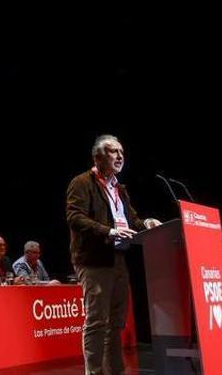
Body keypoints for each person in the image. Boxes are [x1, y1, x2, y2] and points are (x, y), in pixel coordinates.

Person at [66, 134, 161, 375]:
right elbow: (75, 217)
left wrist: (147, 223)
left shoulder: (119, 188)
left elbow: (131, 220)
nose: (120, 156)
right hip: (94, 260)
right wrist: (109, 231)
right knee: (97, 322)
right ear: (97, 156)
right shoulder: (82, 182)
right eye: (113, 151)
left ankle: (115, 371)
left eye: (122, 152)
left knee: (117, 324)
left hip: (119, 259)